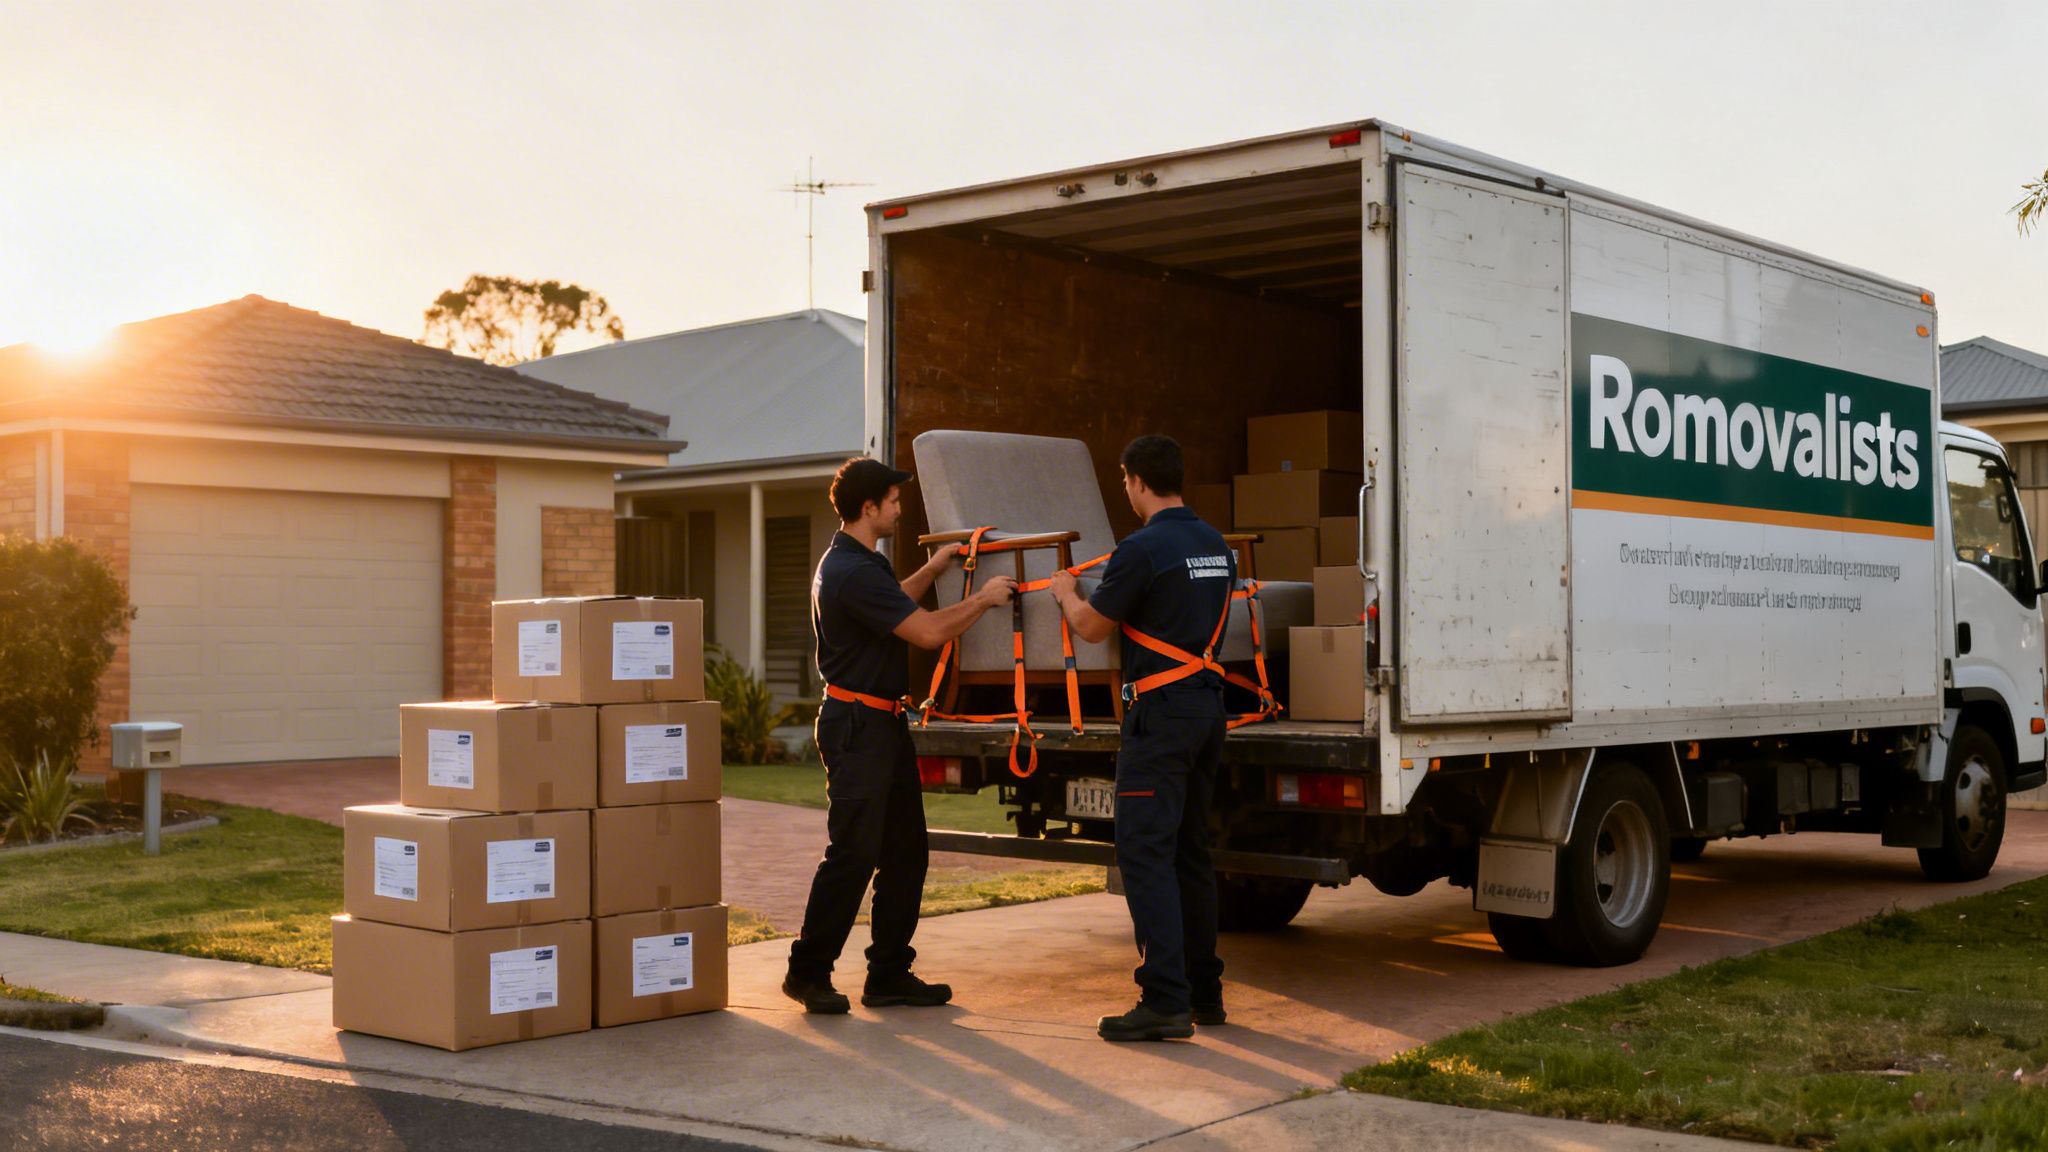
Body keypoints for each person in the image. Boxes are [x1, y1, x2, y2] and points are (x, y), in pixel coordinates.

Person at [783, 456, 1017, 1014]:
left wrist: (934, 569)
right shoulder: (852, 571)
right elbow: (929, 633)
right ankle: (807, 972)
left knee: (906, 853)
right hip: (858, 727)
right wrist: (984, 599)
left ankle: (888, 974)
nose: (899, 507)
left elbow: (893, 605)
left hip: (881, 723)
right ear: (869, 507)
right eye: (892, 500)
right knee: (853, 855)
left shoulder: (859, 562)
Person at [1048, 434, 1232, 1042]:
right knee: (1190, 854)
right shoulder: (1215, 545)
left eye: (1124, 482)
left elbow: (1094, 627)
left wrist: (1065, 593)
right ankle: (1205, 993)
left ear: (1135, 481)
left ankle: (1163, 1001)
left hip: (1160, 717)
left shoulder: (1141, 549)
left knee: (1145, 854)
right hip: (1207, 710)